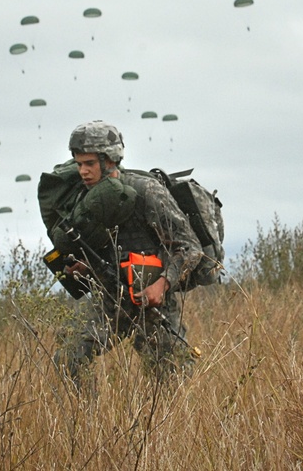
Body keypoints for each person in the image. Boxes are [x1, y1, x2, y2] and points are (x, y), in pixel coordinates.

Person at [52, 121, 203, 391]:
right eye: (78, 164)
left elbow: (189, 247)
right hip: (111, 299)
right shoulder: (85, 199)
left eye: (89, 163)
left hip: (154, 302)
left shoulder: (147, 191)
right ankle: (89, 425)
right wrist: (85, 267)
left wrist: (163, 283)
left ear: (109, 159)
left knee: (171, 380)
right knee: (68, 357)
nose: (83, 171)